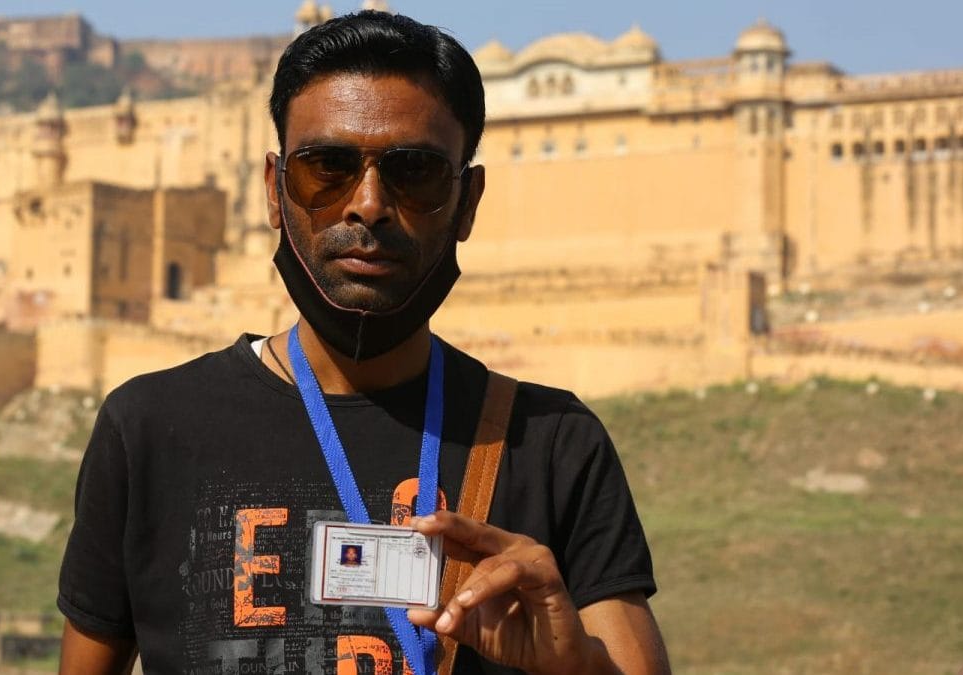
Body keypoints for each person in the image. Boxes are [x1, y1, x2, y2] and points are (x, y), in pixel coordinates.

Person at [58, 10, 670, 675]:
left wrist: (574, 663)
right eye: (328, 166)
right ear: (273, 189)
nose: (369, 204)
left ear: (467, 201)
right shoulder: (149, 428)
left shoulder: (552, 444)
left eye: (414, 171)